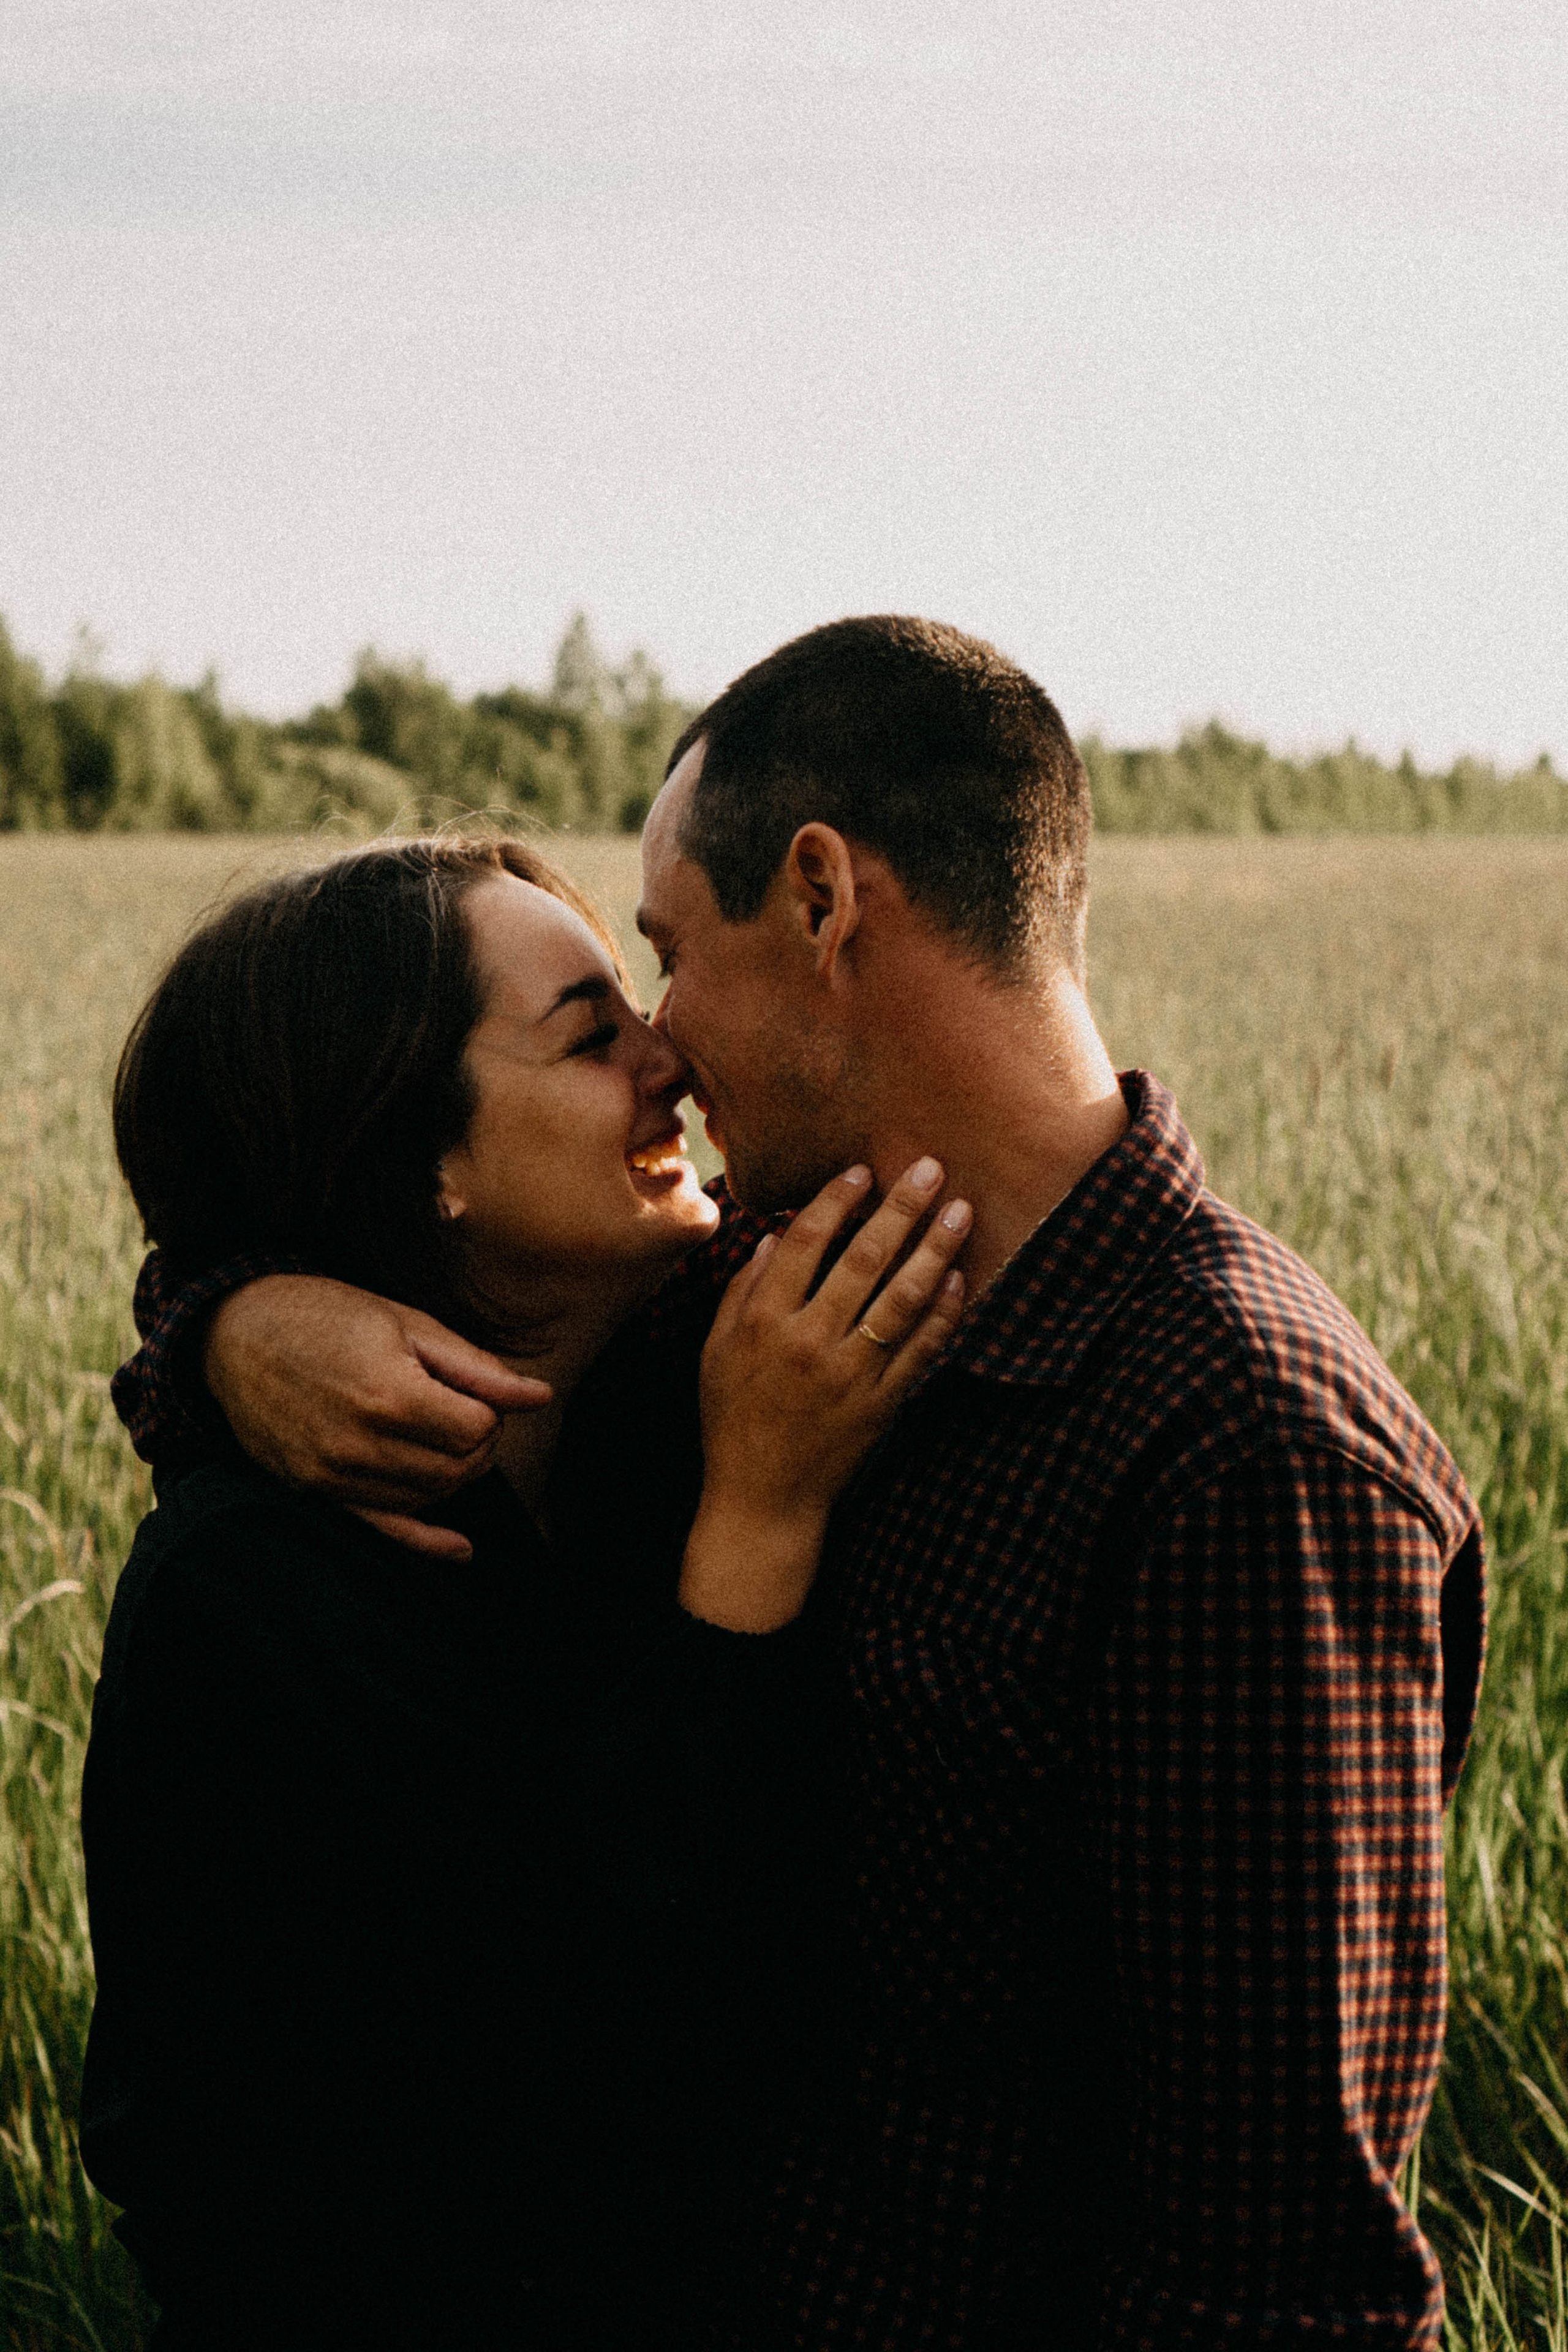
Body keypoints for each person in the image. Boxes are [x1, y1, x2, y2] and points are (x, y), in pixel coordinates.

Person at [116, 618, 1488, 2352]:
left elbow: (1278, 2280)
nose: (667, 1047)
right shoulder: (758, 1315)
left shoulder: (1246, 1452)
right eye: (606, 1011)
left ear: (825, 901)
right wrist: (235, 1322)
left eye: (667, 959)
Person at [81, 834, 970, 2349]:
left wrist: (227, 1317)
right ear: (419, 1164)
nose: (669, 1056)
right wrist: (754, 1529)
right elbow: (593, 2076)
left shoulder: (667, 1386)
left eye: (641, 1000)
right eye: (588, 1033)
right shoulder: (258, 1601)